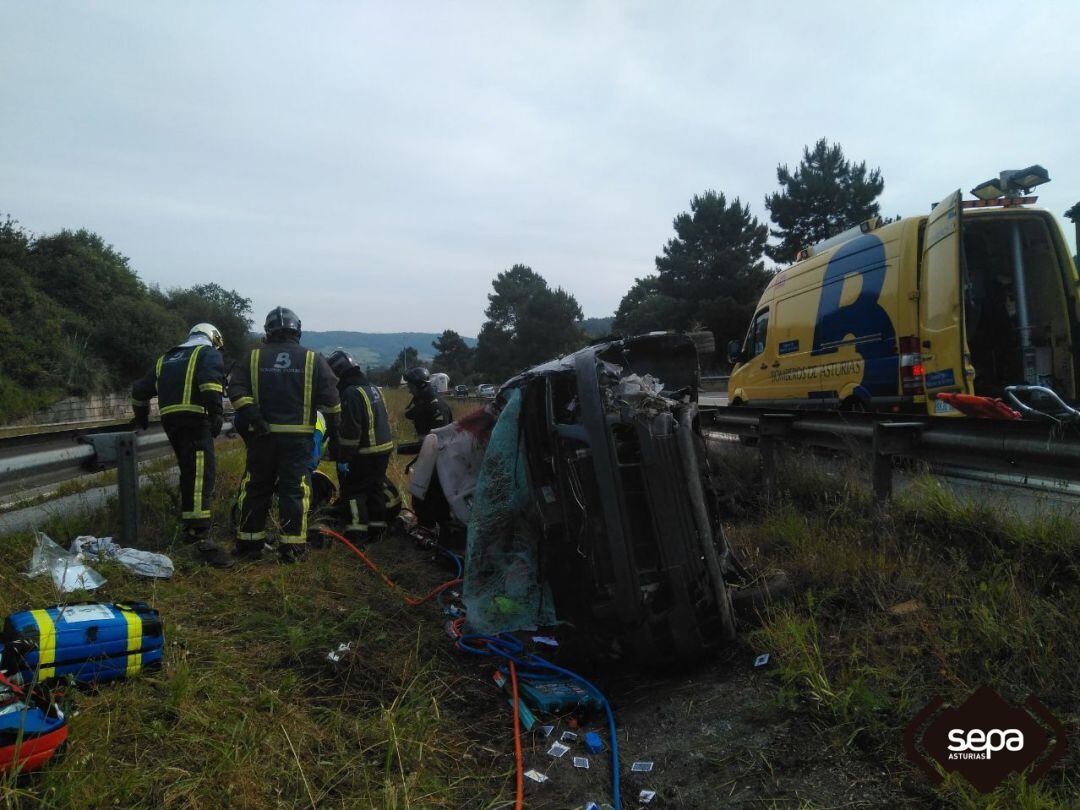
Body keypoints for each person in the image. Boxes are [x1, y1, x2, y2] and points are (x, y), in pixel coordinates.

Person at [228, 307, 341, 563]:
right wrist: (335, 435)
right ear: (296, 330)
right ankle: (292, 549)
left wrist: (255, 418)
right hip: (297, 440)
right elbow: (333, 404)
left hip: (261, 437)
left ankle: (249, 545)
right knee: (295, 491)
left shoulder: (252, 358)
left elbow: (236, 392)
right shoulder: (314, 359)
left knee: (255, 487)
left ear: (268, 331)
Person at [131, 323, 230, 567]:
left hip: (170, 420)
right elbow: (210, 383)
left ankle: (190, 520)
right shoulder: (207, 353)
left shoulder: (166, 357)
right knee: (200, 474)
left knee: (189, 471)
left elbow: (140, 390)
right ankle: (197, 533)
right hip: (195, 418)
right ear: (213, 338)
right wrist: (216, 412)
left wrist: (141, 415)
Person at [328, 350, 395, 545]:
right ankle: (378, 530)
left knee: (353, 492)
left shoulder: (350, 393)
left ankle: (356, 534)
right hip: (382, 450)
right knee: (374, 489)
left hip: (364, 452)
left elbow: (351, 432)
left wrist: (344, 458)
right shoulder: (372, 387)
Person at [403, 366, 453, 438]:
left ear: (422, 386)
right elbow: (409, 415)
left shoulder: (437, 408)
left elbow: (441, 440)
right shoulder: (424, 404)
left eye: (411, 387)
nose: (410, 391)